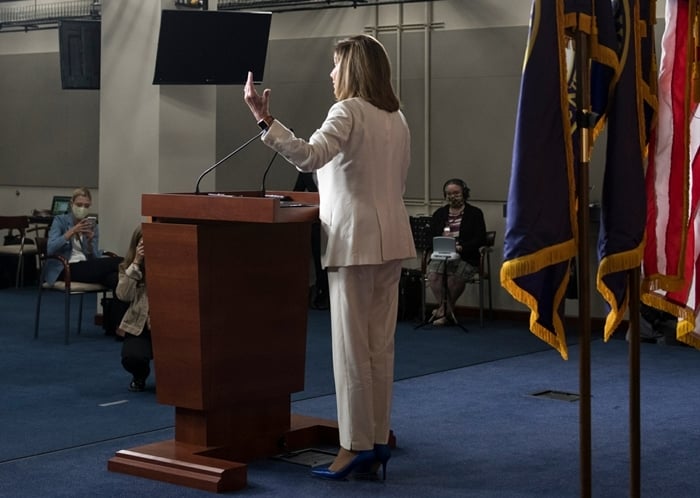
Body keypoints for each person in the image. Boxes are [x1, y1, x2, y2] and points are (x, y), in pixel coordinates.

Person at [244, 34, 416, 481]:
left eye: (336, 66)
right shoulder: (396, 118)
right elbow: (394, 182)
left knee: (352, 350)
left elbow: (309, 157)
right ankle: (376, 439)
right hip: (390, 238)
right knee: (380, 347)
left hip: (355, 241)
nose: (331, 74)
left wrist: (266, 122)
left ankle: (353, 446)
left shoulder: (347, 110)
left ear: (354, 70)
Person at [427, 178, 487, 325]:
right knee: (434, 276)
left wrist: (462, 247)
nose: (452, 196)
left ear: (464, 193)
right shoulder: (439, 214)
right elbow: (430, 236)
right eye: (448, 193)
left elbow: (480, 238)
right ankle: (447, 310)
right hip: (443, 254)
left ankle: (443, 312)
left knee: (455, 278)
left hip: (466, 256)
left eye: (456, 193)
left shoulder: (475, 213)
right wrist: (441, 240)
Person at [45, 187, 122, 291]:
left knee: (114, 279)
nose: (82, 208)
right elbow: (50, 248)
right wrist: (72, 231)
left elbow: (93, 257)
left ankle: (113, 307)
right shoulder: (60, 220)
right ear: (71, 203)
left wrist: (89, 243)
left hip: (87, 267)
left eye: (86, 206)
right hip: (65, 268)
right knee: (119, 262)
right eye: (79, 205)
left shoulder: (91, 225)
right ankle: (129, 264)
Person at [115, 225, 152, 392]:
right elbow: (123, 295)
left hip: (166, 323)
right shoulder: (128, 267)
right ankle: (140, 374)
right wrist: (137, 262)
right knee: (131, 358)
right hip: (140, 324)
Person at [293, 171, 329, 310]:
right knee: (318, 259)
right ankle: (321, 294)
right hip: (316, 223)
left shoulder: (331, 169)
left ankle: (327, 294)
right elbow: (296, 194)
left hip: (337, 223)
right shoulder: (305, 173)